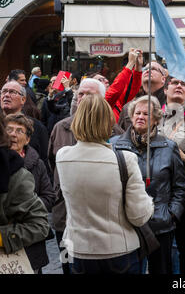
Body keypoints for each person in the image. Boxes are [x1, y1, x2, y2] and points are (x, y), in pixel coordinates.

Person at [56, 94, 154, 274]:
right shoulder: (126, 159)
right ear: (109, 122)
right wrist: (149, 201)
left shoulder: (62, 156)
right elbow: (138, 215)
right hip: (118, 251)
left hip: (77, 249)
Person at [48, 78, 124, 274]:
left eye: (89, 94)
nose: (82, 98)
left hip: (104, 222)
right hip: (65, 217)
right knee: (68, 267)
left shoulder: (115, 132)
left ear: (101, 99)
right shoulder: (61, 128)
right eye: (80, 93)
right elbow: (51, 165)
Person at [112, 95, 185, 274]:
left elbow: (180, 186)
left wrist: (172, 214)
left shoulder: (168, 147)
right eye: (137, 113)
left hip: (160, 224)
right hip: (127, 225)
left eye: (146, 114)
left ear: (155, 119)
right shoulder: (115, 145)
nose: (140, 116)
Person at [4, 113, 55, 274]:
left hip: (29, 239)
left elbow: (49, 196)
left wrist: (26, 207)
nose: (13, 134)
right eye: (9, 129)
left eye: (19, 131)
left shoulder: (37, 163)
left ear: (27, 140)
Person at [158, 75, 185, 274]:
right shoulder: (153, 115)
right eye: (174, 83)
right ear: (165, 90)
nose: (179, 86)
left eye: (183, 84)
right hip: (157, 195)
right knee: (160, 249)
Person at [1, 81, 49, 170]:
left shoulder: (37, 127)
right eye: (4, 91)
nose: (6, 95)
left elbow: (44, 161)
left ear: (23, 100)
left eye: (12, 92)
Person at [118, 61, 167, 131]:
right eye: (145, 69)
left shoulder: (171, 105)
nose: (148, 71)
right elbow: (120, 135)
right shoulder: (128, 107)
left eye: (153, 69)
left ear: (163, 79)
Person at [105, 48, 143, 122]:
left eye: (104, 78)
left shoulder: (117, 102)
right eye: (100, 80)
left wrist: (138, 67)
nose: (106, 80)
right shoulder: (99, 102)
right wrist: (130, 63)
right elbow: (115, 91)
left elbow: (131, 90)